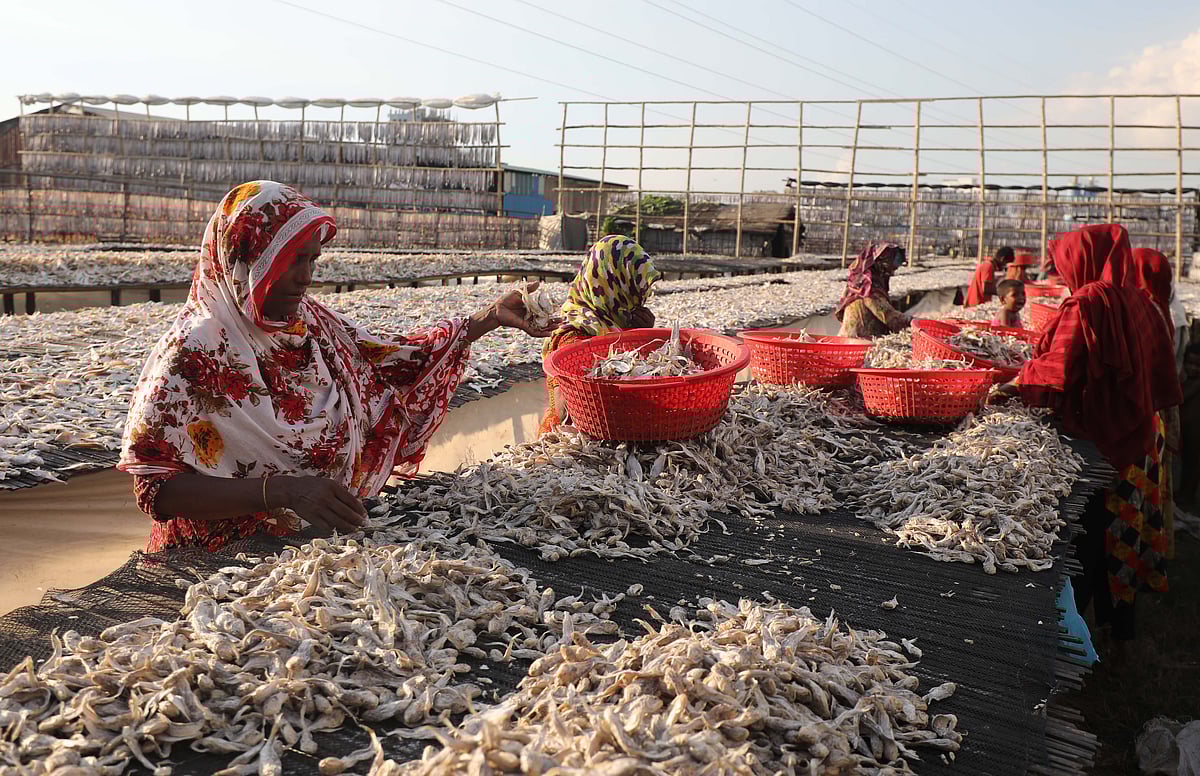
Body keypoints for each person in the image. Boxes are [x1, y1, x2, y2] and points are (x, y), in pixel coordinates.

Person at [118, 181, 556, 553]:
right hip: (213, 567)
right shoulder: (194, 351)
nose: (305, 277)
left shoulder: (309, 324)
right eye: (292, 260)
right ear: (245, 257)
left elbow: (392, 362)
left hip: (310, 556)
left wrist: (491, 317)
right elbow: (157, 489)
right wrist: (282, 491)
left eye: (312, 260)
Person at [990, 224, 1181, 647]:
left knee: (1093, 533)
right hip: (1143, 433)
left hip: (1105, 442)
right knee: (1128, 526)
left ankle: (1078, 638)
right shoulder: (1142, 301)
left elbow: (1061, 367)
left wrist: (1012, 384)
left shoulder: (1091, 302)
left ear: (1082, 260)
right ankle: (1121, 627)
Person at [539, 234, 661, 435]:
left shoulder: (613, 327)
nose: (639, 302)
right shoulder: (573, 336)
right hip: (570, 440)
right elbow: (574, 409)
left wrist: (642, 337)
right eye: (633, 293)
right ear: (613, 287)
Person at [835, 242, 911, 339]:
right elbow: (886, 314)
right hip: (858, 340)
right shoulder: (868, 287)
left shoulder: (861, 281)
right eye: (892, 264)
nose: (894, 269)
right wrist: (911, 321)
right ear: (881, 262)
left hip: (857, 337)